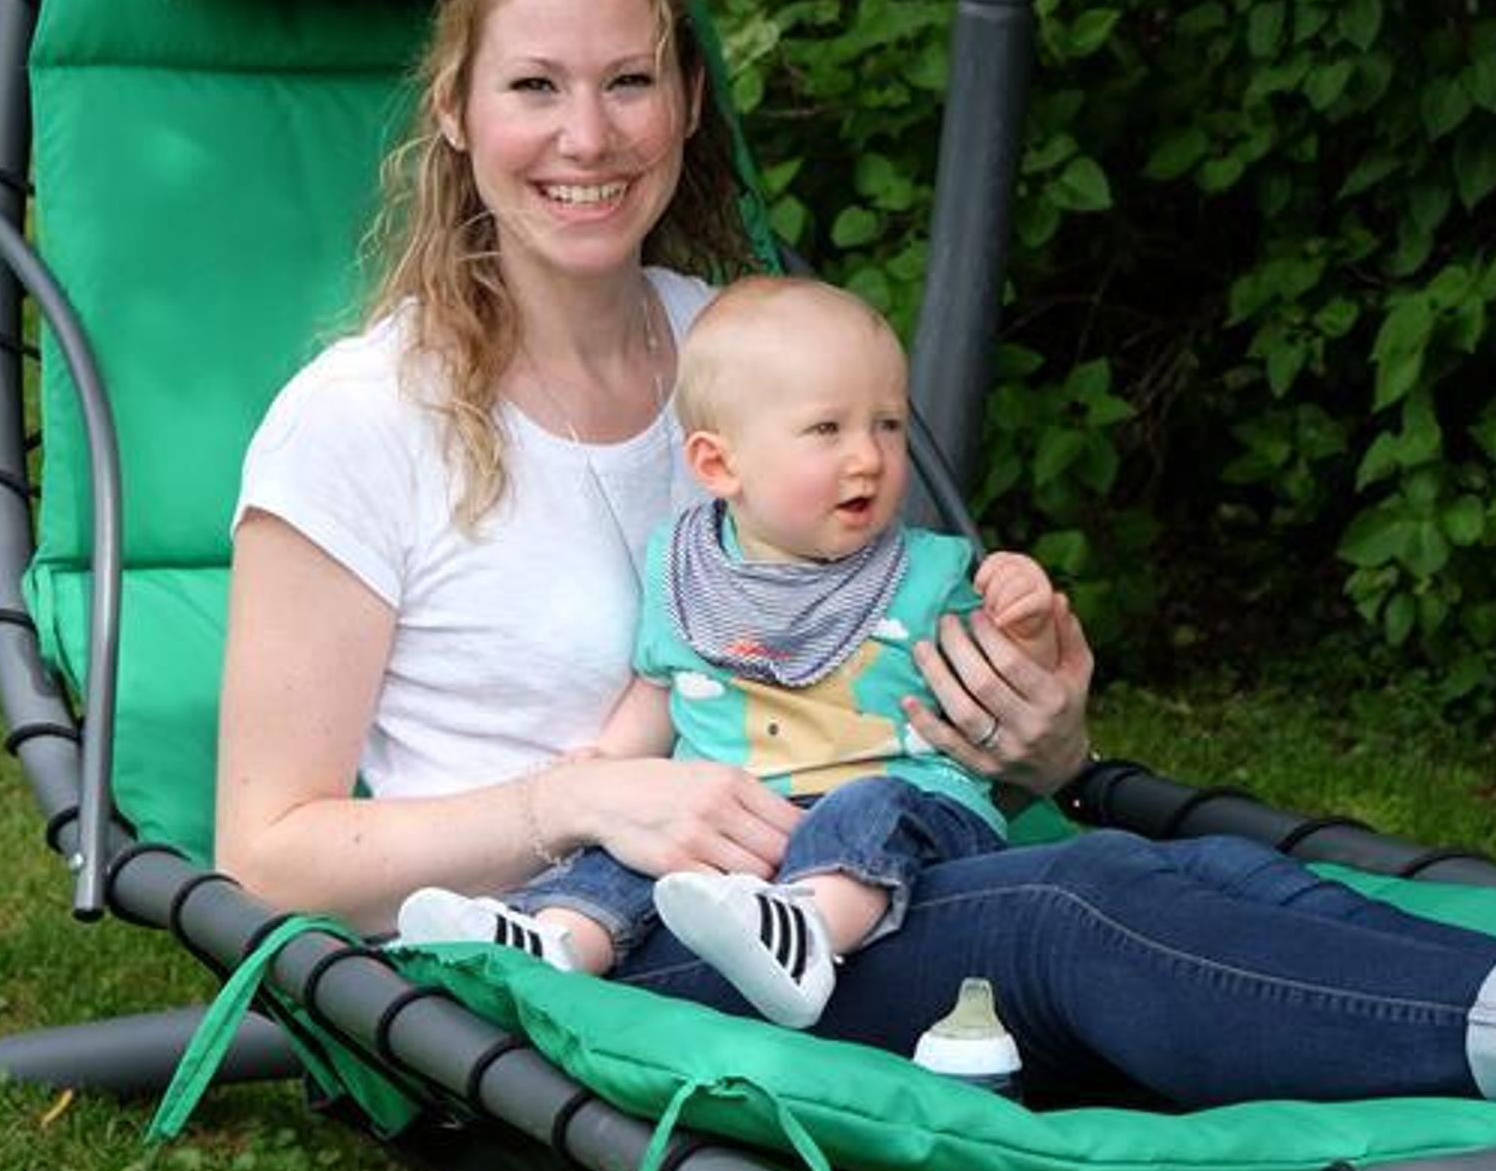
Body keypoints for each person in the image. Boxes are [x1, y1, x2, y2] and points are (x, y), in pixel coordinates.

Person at [218, 0, 1496, 1131]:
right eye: (534, 85)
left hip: (836, 881)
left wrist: (1037, 724)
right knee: (1073, 908)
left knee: (1205, 877)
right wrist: (584, 805)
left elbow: (920, 685)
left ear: (689, 102)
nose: (588, 135)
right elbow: (267, 853)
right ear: (454, 108)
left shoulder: (755, 354)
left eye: (630, 79)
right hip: (586, 949)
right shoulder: (361, 419)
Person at [394, 276, 1063, 1028]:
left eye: (887, 425)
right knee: (632, 849)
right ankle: (550, 941)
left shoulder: (927, 574)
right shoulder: (685, 570)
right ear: (718, 466)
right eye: (827, 430)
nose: (868, 457)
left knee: (867, 811)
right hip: (741, 824)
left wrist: (1024, 622)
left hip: (909, 807)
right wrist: (607, 764)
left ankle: (805, 932)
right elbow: (664, 685)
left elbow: (1005, 683)